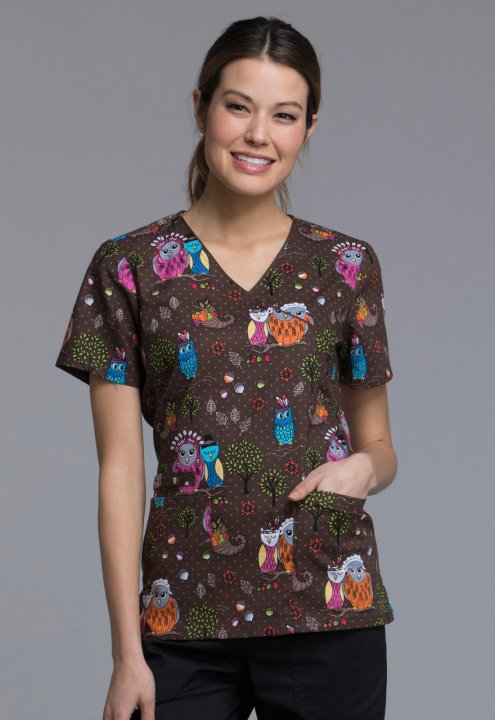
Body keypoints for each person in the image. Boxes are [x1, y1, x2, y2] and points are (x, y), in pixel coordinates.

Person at [54, 15, 398, 720]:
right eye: (238, 106)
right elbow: (119, 471)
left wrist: (363, 470)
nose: (258, 135)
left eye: (284, 115)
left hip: (325, 606)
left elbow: (380, 447)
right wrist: (127, 655)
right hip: (182, 618)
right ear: (201, 106)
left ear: (307, 128)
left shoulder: (344, 264)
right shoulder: (129, 266)